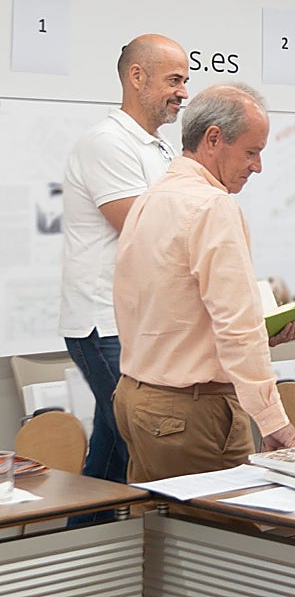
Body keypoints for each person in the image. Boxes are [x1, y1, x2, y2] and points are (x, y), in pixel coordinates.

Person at [112, 83, 295, 482]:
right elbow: (236, 324)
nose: (257, 166)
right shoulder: (212, 206)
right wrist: (272, 420)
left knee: (158, 534)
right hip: (192, 412)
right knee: (226, 538)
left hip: (138, 399)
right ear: (214, 138)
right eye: (252, 152)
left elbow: (162, 308)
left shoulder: (152, 198)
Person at [59, 33, 189, 490]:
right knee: (144, 442)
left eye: (186, 80)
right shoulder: (107, 142)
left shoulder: (162, 149)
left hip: (137, 323)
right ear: (137, 77)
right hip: (104, 324)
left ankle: (83, 543)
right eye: (174, 80)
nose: (184, 93)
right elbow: (143, 233)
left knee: (114, 453)